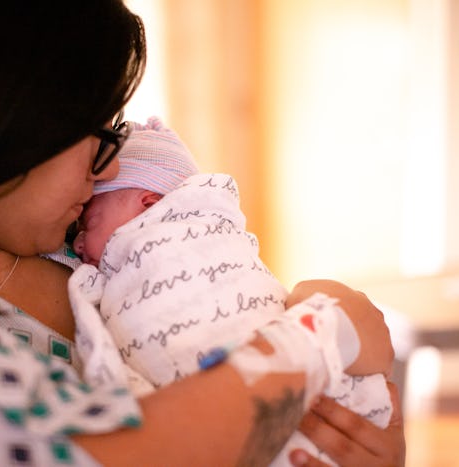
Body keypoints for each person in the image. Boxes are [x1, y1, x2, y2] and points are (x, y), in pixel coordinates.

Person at [0, 1, 404, 466]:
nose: (113, 164)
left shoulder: (82, 259)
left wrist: (353, 438)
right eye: (97, 133)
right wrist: (320, 332)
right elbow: (100, 454)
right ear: (7, 118)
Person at [68, 117, 392, 466]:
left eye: (87, 223)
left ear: (149, 204)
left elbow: (366, 334)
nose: (79, 243)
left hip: (308, 407)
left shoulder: (196, 236)